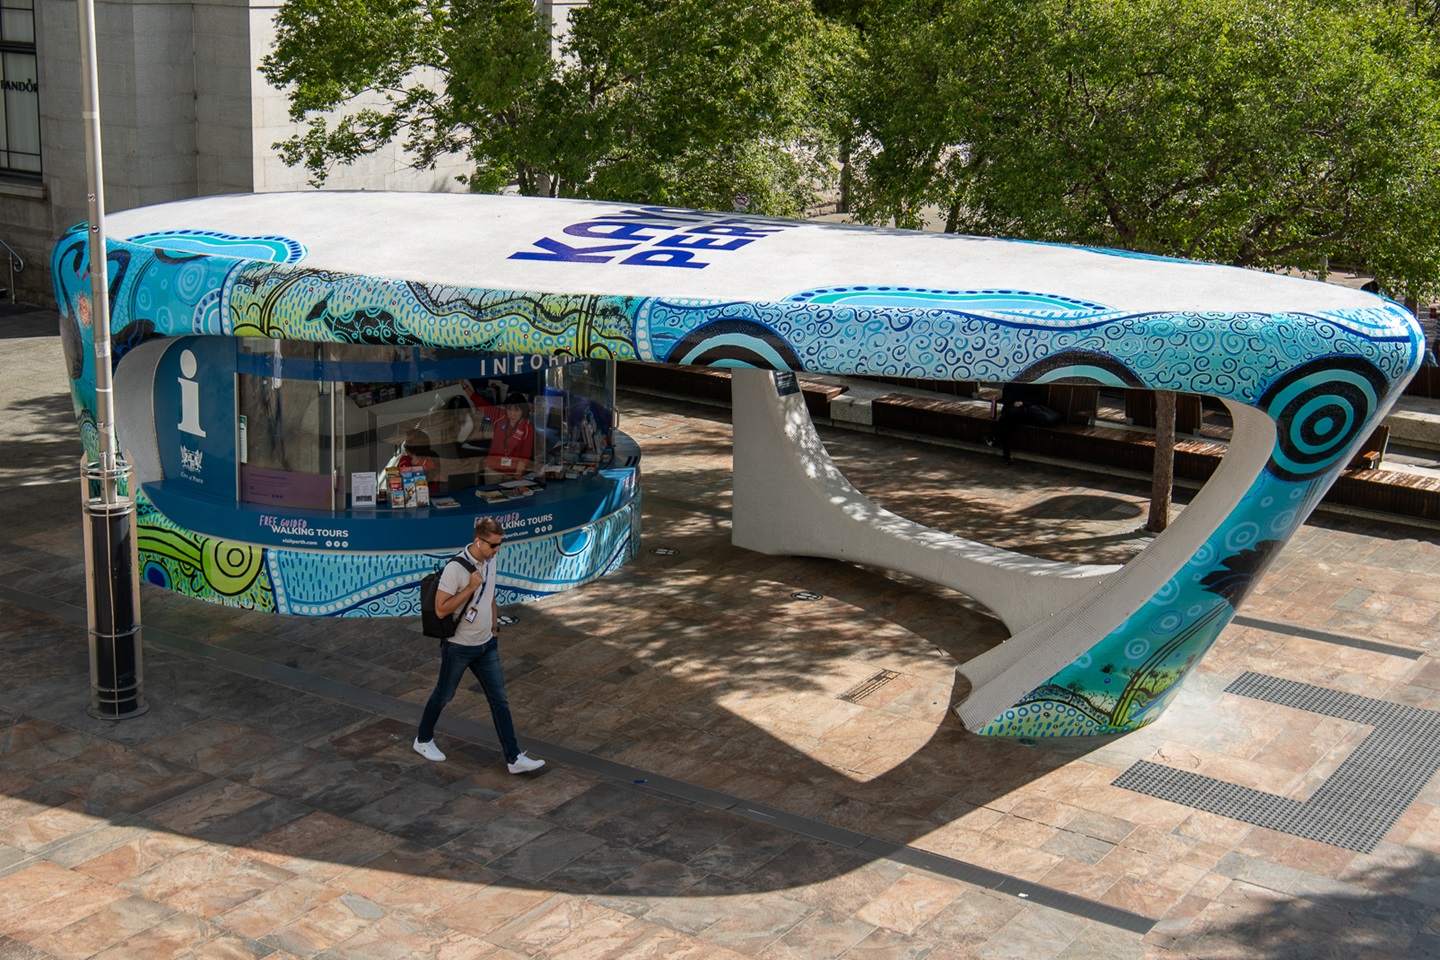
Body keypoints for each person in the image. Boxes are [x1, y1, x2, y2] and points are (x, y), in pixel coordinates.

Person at [413, 517, 545, 773]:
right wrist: (470, 587)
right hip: (459, 647)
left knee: (500, 700)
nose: (498, 550)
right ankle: (423, 739)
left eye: (500, 544)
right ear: (478, 542)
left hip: (486, 645)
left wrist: (494, 627)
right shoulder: (456, 569)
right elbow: (441, 610)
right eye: (494, 545)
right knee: (444, 694)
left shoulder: (490, 560)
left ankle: (514, 758)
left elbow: (490, 593)